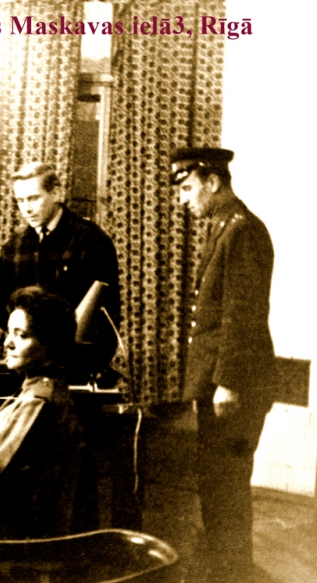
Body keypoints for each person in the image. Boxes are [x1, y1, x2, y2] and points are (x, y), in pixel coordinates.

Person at [171, 147, 278, 583]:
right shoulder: (224, 226)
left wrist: (228, 383)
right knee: (216, 484)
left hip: (235, 386)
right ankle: (224, 568)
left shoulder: (242, 231)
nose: (182, 200)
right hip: (220, 382)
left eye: (187, 188)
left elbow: (242, 314)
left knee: (227, 486)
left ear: (213, 182)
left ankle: (232, 572)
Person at [0, 286, 88, 539]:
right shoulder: (33, 389)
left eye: (21, 335)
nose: (7, 343)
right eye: (9, 332)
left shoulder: (39, 401)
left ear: (50, 344)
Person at [0, 162, 121, 378]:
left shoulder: (91, 240)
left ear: (56, 193)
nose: (26, 209)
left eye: (34, 198)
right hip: (26, 366)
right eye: (20, 200)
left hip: (75, 364)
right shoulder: (13, 246)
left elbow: (105, 314)